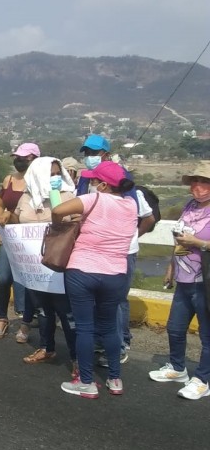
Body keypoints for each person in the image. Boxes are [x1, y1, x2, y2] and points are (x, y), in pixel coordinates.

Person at [52, 161, 137, 398]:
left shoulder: (94, 199)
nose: (89, 183)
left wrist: (73, 220)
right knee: (109, 327)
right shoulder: (131, 205)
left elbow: (59, 210)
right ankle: (115, 379)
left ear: (102, 185)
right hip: (115, 273)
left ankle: (87, 382)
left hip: (83, 270)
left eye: (92, 180)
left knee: (85, 328)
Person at [78, 134, 155, 364]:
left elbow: (147, 218)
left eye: (94, 153)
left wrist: (129, 237)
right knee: (95, 299)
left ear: (106, 154)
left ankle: (120, 344)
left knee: (117, 299)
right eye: (87, 153)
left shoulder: (123, 179)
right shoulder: (85, 179)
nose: (90, 157)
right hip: (92, 250)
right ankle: (101, 341)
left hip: (121, 251)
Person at [150, 163, 210, 400]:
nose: (198, 186)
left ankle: (203, 379)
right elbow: (178, 241)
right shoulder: (189, 207)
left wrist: (199, 243)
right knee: (175, 328)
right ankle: (177, 368)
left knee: (207, 335)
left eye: (204, 182)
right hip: (184, 279)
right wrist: (170, 267)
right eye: (195, 181)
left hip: (205, 282)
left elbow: (193, 241)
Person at [10, 157, 77, 370]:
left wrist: (57, 200)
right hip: (34, 267)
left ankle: (77, 358)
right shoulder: (26, 199)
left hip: (59, 265)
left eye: (58, 173)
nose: (55, 178)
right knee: (43, 310)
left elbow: (76, 224)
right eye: (51, 174)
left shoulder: (68, 197)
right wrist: (3, 216)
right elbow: (17, 221)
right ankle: (47, 347)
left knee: (66, 312)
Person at [0, 142, 39, 340]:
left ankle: (26, 323)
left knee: (28, 281)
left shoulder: (39, 182)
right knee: (2, 278)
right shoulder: (9, 179)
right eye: (17, 157)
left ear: (35, 159)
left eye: (24, 157)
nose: (19, 161)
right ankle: (2, 318)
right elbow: (0, 202)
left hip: (31, 238)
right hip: (9, 236)